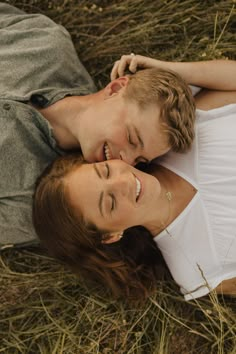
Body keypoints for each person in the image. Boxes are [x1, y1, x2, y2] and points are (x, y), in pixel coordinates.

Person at [1, 2, 236, 249]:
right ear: (115, 88)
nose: (126, 160)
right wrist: (167, 71)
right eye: (132, 139)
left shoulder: (41, 202)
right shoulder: (47, 44)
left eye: (140, 161)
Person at [33, 65, 236, 301]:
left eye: (106, 171)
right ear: (111, 235)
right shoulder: (197, 269)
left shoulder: (186, 133)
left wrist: (162, 70)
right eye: (110, 203)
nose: (124, 182)